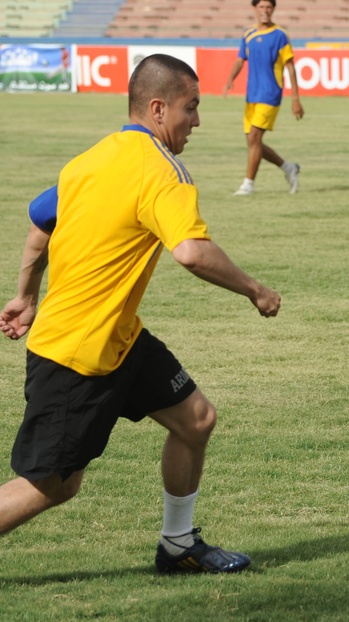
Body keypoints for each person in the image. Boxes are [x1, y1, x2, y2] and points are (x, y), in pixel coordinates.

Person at [0, 54, 282, 574]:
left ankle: (178, 545)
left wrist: (26, 294)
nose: (196, 121)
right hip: (78, 353)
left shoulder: (90, 159)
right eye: (190, 108)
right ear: (158, 108)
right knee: (54, 486)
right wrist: (255, 289)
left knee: (196, 420)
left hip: (119, 338)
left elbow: (41, 221)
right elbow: (192, 251)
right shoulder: (163, 171)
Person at [223, 0, 304, 196]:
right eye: (261, 7)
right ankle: (288, 168)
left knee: (254, 137)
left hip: (271, 93)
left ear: (273, 9)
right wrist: (230, 79)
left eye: (268, 7)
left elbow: (290, 67)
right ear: (255, 9)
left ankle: (248, 185)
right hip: (252, 95)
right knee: (253, 142)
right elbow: (240, 59)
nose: (265, 11)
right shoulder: (248, 33)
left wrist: (295, 98)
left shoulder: (280, 35)